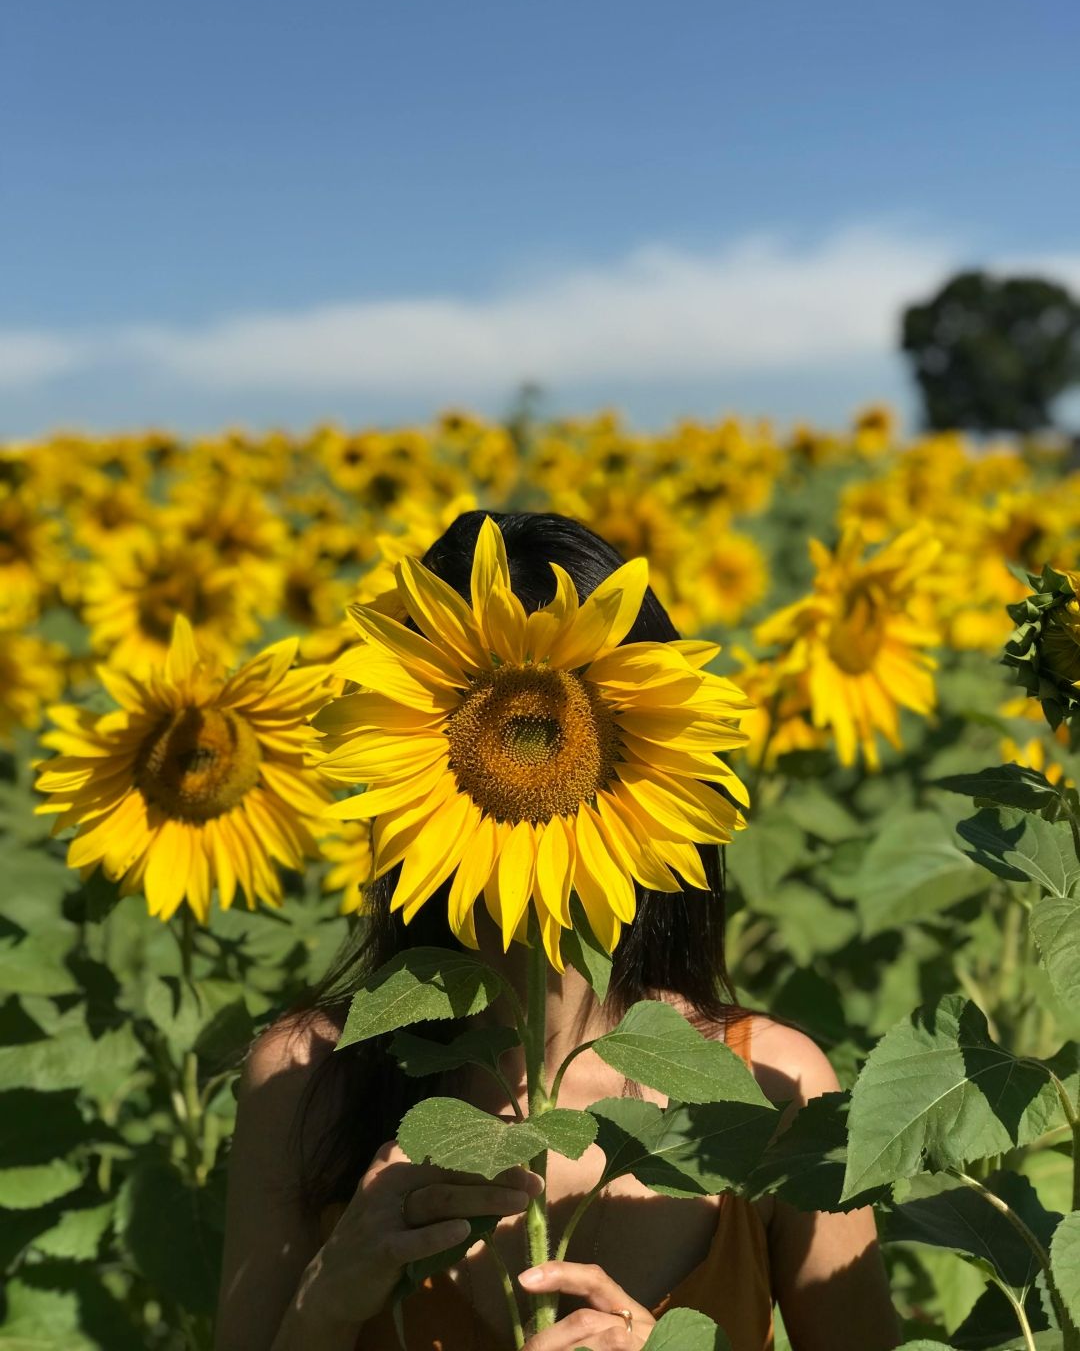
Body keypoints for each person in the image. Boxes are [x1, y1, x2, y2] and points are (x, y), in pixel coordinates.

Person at [214, 511, 899, 1351]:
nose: (533, 742)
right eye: (499, 723)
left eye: (560, 726)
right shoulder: (311, 1082)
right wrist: (325, 1304)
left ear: (645, 755)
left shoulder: (773, 1090)